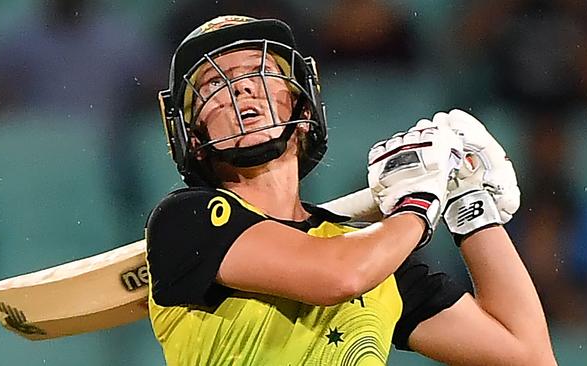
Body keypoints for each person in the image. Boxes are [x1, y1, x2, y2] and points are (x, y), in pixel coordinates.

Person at [145, 15, 557, 365]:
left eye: (262, 71)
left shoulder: (376, 256)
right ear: (192, 136)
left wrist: (469, 203)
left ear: (303, 111)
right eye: (217, 85)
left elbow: (528, 354)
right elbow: (339, 276)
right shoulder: (184, 220)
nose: (241, 88)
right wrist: (420, 200)